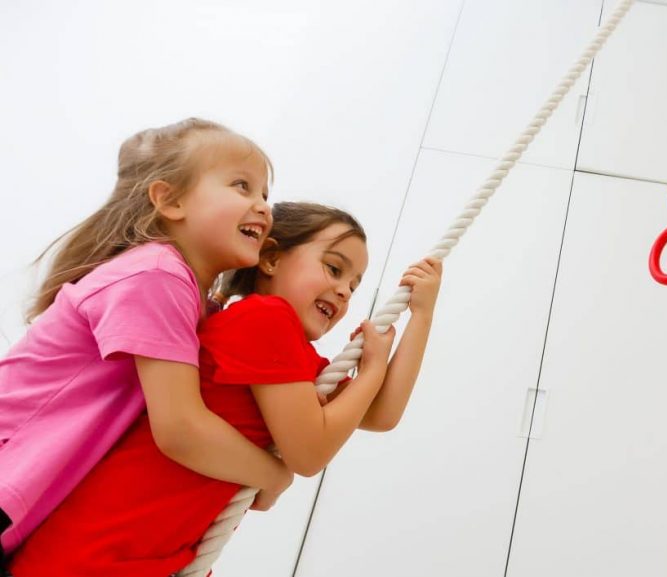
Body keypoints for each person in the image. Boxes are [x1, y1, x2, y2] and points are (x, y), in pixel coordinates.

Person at [8, 202, 442, 576]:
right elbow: (309, 453)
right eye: (334, 268)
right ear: (270, 259)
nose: (344, 290)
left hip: (146, 557)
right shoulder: (262, 321)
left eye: (354, 284)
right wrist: (370, 372)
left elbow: (381, 415)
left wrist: (420, 316)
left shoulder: (288, 356)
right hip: (95, 555)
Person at [0, 118, 294, 560]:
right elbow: (181, 429)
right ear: (170, 200)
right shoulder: (156, 275)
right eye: (242, 186)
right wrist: (274, 475)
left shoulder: (189, 297)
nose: (264, 207)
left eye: (265, 194)